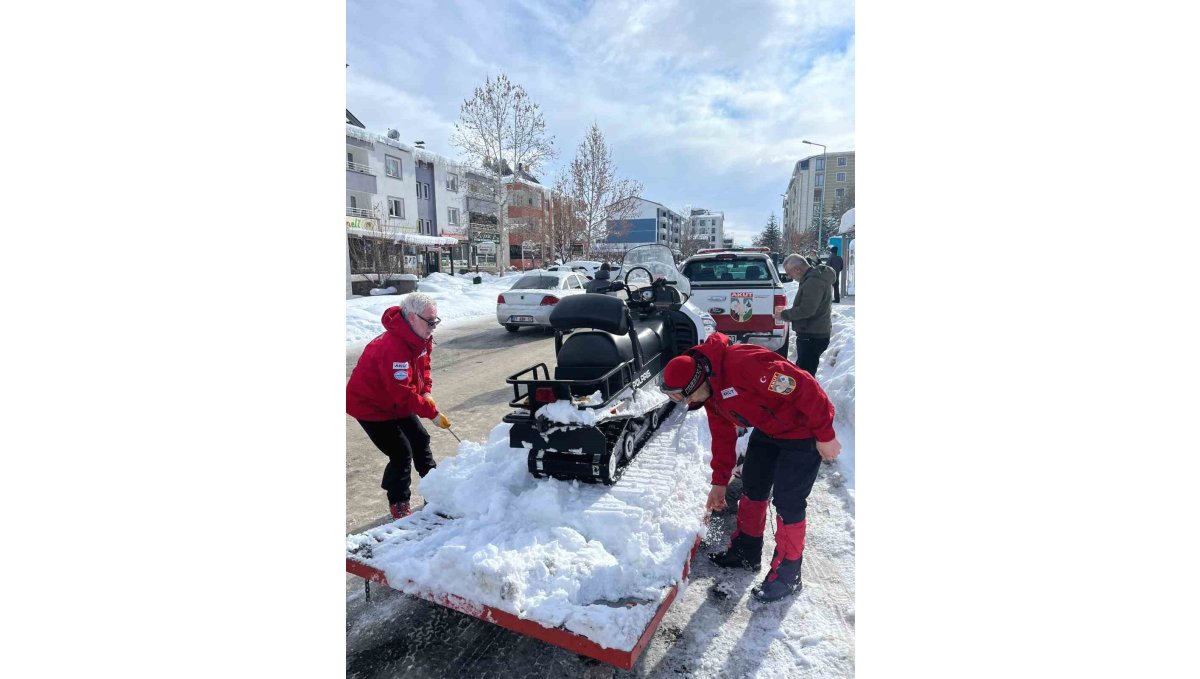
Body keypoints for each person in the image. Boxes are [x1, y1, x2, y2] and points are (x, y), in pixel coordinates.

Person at [660, 332, 841, 603]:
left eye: (683, 396)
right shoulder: (709, 393)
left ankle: (789, 575)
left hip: (802, 431)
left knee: (788, 500)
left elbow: (805, 387)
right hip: (770, 430)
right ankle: (747, 550)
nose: (685, 402)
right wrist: (719, 482)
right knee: (753, 485)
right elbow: (722, 436)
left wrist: (825, 435)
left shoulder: (745, 365)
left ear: (697, 381)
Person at [346, 292, 453, 519]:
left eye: (436, 321)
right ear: (412, 318)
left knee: (420, 439)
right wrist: (431, 412)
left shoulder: (420, 338)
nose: (434, 326)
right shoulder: (392, 347)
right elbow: (401, 393)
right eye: (430, 321)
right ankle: (398, 502)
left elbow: (424, 367)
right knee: (401, 451)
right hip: (370, 406)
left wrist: (426, 391)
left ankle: (435, 490)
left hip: (395, 401)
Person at [774, 253, 835, 378]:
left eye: (789, 273)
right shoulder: (812, 278)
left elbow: (806, 310)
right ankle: (804, 396)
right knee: (803, 372)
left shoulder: (813, 282)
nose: (790, 277)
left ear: (797, 269)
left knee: (805, 376)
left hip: (812, 336)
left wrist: (784, 315)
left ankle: (809, 397)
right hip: (813, 333)